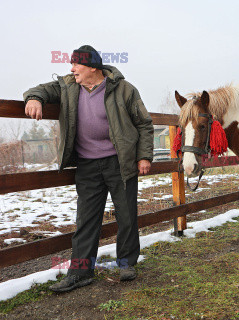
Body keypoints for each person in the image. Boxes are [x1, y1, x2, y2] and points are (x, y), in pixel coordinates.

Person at [24, 45, 154, 292]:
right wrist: (34, 99)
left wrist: (144, 156)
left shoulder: (124, 89)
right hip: (87, 165)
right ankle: (80, 273)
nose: (71, 69)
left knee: (126, 215)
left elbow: (144, 124)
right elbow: (38, 89)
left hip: (120, 162)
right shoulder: (67, 86)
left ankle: (126, 264)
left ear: (93, 66)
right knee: (86, 220)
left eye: (76, 65)